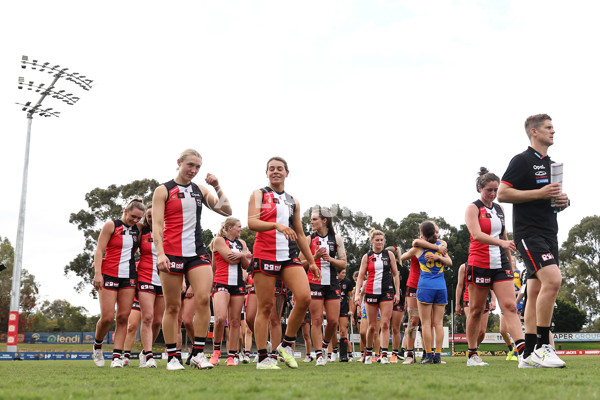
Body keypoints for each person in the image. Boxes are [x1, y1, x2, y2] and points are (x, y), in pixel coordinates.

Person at [498, 114, 569, 368]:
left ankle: (527, 355)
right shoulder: (522, 160)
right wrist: (539, 193)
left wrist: (563, 201)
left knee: (535, 290)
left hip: (550, 232)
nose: (553, 131)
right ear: (534, 132)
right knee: (554, 279)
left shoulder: (551, 164)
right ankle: (542, 346)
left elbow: (550, 198)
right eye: (549, 128)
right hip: (529, 234)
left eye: (553, 127)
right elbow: (503, 193)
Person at [152, 149, 232, 371]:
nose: (193, 170)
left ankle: (198, 354)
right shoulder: (163, 190)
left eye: (197, 167)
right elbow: (157, 225)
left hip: (197, 252)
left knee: (204, 299)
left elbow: (226, 210)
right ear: (178, 163)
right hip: (171, 252)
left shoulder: (200, 189)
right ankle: (173, 357)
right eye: (190, 165)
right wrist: (160, 253)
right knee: (173, 306)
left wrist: (216, 186)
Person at [247, 156, 319, 370]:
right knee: (266, 307)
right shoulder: (259, 194)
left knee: (305, 297)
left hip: (289, 256)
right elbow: (251, 222)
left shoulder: (292, 201)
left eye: (280, 168)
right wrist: (276, 226)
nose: (275, 171)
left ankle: (286, 345)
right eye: (271, 169)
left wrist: (312, 262)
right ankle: (262, 358)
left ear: (287, 173)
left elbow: (299, 232)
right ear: (266, 172)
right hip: (265, 255)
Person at [465, 167, 525, 367]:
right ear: (479, 188)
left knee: (509, 306)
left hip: (501, 264)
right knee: (475, 311)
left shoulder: (499, 209)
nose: (493, 194)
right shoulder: (473, 208)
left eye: (495, 190)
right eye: (489, 189)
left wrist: (510, 259)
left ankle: (523, 352)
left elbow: (504, 236)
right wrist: (501, 243)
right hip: (479, 263)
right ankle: (472, 354)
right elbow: (476, 234)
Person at [92, 199, 145, 368]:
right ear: (125, 211)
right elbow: (99, 250)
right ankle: (97, 345)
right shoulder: (111, 226)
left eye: (139, 218)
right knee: (107, 317)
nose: (136, 220)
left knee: (123, 318)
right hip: (108, 274)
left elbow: (134, 250)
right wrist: (97, 273)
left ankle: (117, 357)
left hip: (128, 276)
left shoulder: (139, 229)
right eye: (133, 216)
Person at [401, 221, 452, 364]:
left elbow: (403, 257)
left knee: (426, 323)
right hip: (441, 287)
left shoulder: (418, 249)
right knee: (439, 323)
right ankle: (438, 356)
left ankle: (428, 355)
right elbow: (450, 262)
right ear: (435, 233)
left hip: (425, 287)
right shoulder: (442, 246)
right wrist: (439, 256)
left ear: (422, 234)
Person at [302, 207, 347, 366]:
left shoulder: (337, 239)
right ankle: (319, 354)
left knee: (333, 321)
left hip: (332, 282)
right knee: (317, 319)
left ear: (324, 221)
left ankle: (324, 345)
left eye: (314, 219)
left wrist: (330, 259)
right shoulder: (308, 239)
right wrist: (315, 257)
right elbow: (301, 263)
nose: (311, 222)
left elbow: (344, 264)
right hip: (314, 281)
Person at [353, 229, 400, 365]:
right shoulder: (366, 257)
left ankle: (384, 355)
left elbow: (396, 274)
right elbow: (361, 276)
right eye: (377, 240)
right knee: (372, 326)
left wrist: (397, 292)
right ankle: (368, 353)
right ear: (371, 241)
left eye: (381, 240)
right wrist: (357, 294)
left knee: (385, 324)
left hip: (387, 292)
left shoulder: (389, 254)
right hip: (371, 292)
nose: (380, 242)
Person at [210, 217, 252, 366]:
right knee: (220, 318)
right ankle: (215, 352)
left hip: (238, 284)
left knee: (235, 322)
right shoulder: (219, 240)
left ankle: (231, 355)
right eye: (238, 227)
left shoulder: (242, 243)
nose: (241, 229)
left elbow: (246, 265)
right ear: (229, 228)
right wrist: (244, 255)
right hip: (221, 281)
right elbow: (230, 259)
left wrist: (242, 256)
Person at [136, 204, 165, 368]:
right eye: (149, 216)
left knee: (157, 322)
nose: (152, 218)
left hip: (164, 279)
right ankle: (148, 355)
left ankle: (145, 351)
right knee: (147, 317)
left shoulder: (169, 232)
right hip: (145, 276)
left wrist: (182, 281)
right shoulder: (142, 231)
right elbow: (127, 249)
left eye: (155, 215)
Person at [454, 263, 496, 349]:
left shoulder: (487, 265)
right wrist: (457, 304)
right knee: (473, 325)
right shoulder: (463, 267)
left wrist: (493, 300)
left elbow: (491, 283)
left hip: (484, 299)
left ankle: (474, 347)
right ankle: (472, 352)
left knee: (482, 332)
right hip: (468, 299)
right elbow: (459, 285)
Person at [499, 257, 522, 361]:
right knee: (502, 330)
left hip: (517, 302)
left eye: (512, 260)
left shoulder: (519, 273)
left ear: (515, 262)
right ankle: (511, 348)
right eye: (509, 260)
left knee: (515, 328)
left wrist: (516, 293)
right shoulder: (503, 273)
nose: (511, 262)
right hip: (505, 301)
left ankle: (517, 353)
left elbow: (523, 287)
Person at [387, 246, 407, 363]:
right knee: (383, 326)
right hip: (383, 299)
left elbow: (407, 286)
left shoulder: (403, 269)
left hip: (399, 300)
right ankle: (381, 353)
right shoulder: (382, 267)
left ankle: (394, 354)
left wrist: (406, 300)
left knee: (395, 328)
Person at [335, 268, 355, 362]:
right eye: (342, 273)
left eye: (345, 273)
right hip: (333, 309)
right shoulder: (332, 281)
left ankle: (343, 356)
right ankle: (333, 353)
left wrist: (350, 310)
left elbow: (350, 296)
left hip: (343, 309)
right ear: (337, 273)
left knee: (343, 331)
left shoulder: (347, 282)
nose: (344, 275)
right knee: (332, 332)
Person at [123, 297, 141, 367]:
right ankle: (126, 356)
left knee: (155, 324)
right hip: (135, 295)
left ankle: (146, 353)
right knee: (131, 327)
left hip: (152, 291)